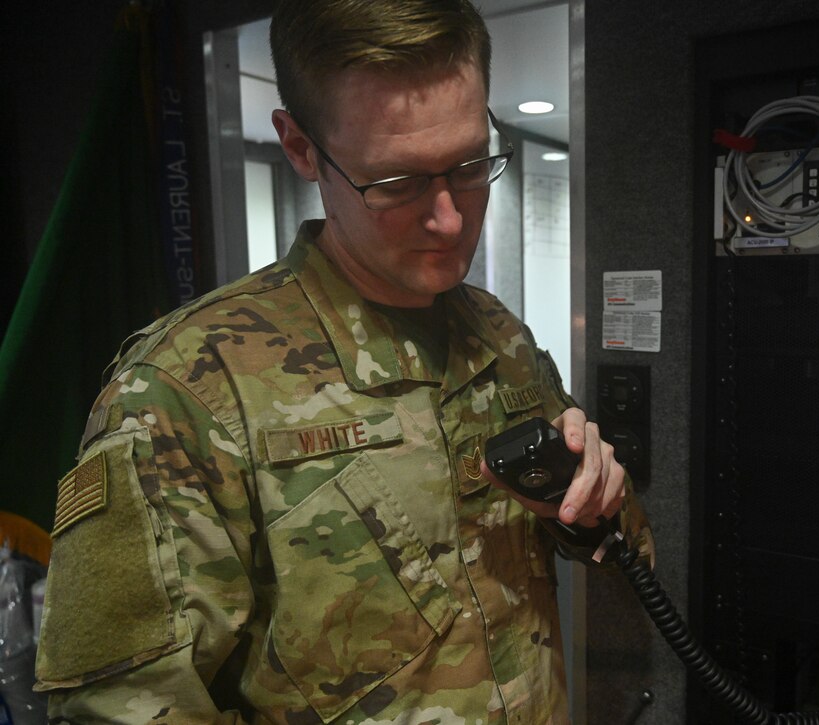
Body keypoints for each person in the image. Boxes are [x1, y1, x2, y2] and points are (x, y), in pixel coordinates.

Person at [34, 0, 653, 722]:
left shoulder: (499, 335)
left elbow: (616, 543)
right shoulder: (181, 394)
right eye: (396, 182)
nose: (451, 218)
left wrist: (590, 506)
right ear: (300, 148)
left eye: (470, 163)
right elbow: (114, 708)